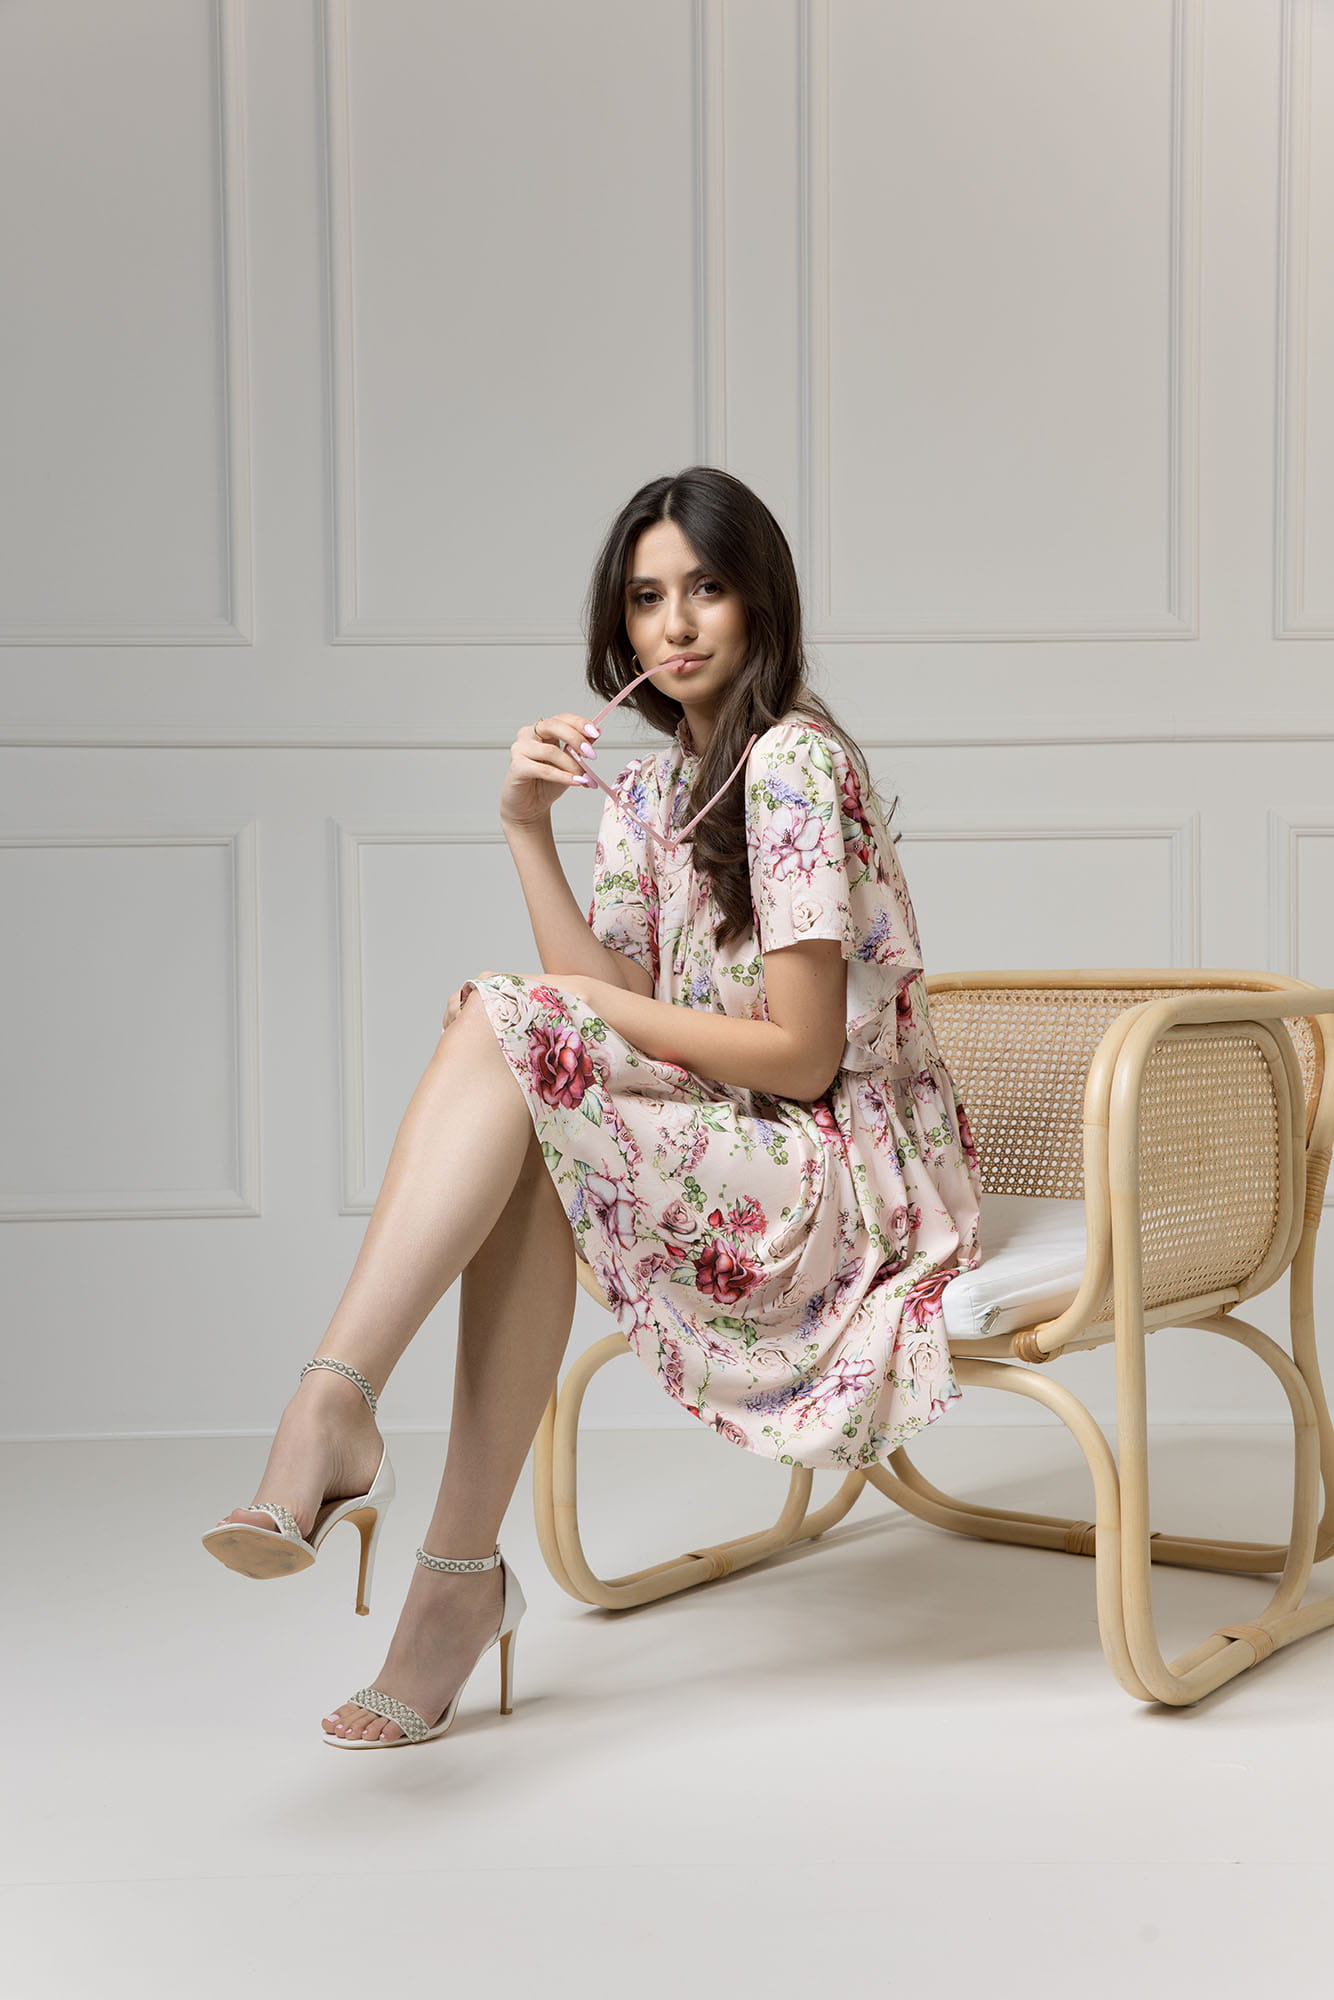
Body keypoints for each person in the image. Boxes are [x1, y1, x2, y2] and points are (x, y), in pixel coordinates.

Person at [202, 465, 984, 1747]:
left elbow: (798, 1058)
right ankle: (446, 1572)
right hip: (738, 1136)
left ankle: (335, 1414)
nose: (674, 624)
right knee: (523, 1072)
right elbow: (608, 992)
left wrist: (557, 1011)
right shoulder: (659, 789)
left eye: (705, 589)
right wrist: (525, 826)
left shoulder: (792, 762)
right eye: (645, 598)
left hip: (839, 1171)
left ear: (759, 600)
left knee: (513, 1027)